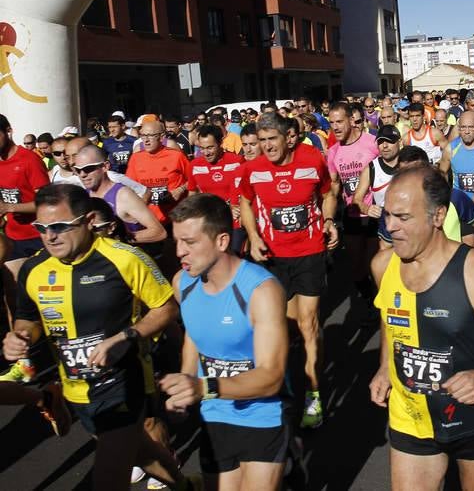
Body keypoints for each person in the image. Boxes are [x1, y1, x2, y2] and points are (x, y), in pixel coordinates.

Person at [3, 183, 191, 490]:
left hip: (124, 382)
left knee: (108, 476)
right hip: (76, 387)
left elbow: (166, 308)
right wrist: (20, 336)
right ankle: (184, 486)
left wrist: (127, 337)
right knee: (142, 452)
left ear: (89, 221)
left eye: (61, 226)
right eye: (42, 227)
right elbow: (29, 318)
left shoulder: (125, 258)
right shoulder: (34, 268)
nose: (50, 236)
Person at [369, 165, 474, 491]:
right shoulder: (382, 266)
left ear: (437, 216)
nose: (391, 228)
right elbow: (389, 318)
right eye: (387, 216)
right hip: (410, 417)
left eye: (403, 217)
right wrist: (385, 366)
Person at [160, 194, 289, 491]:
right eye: (177, 241)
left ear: (221, 241)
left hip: (261, 415)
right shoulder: (183, 282)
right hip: (214, 414)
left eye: (190, 243)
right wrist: (185, 382)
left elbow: (271, 377)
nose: (179, 251)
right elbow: (194, 333)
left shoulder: (261, 290)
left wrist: (203, 387)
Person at [238, 113, 338, 430]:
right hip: (273, 256)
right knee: (284, 326)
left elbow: (327, 192)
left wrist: (329, 220)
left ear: (288, 138)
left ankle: (313, 395)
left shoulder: (312, 159)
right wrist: (253, 237)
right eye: (262, 140)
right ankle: (283, 385)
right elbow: (244, 201)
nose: (266, 146)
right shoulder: (252, 168)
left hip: (309, 251)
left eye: (272, 139)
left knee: (308, 324)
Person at [377, 146, 474, 254]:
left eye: (416, 172)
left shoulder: (454, 197)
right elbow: (385, 247)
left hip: (450, 271)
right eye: (405, 172)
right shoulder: (391, 206)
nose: (410, 178)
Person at [0, 113, 50, 343]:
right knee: (13, 296)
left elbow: (46, 201)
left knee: (43, 296)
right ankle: (24, 357)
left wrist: (10, 206)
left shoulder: (29, 159)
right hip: (13, 238)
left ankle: (51, 348)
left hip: (39, 236)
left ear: (7, 131)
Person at [327, 103, 380, 306]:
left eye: (340, 121)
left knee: (373, 263)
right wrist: (330, 217)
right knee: (357, 268)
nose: (336, 127)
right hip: (351, 214)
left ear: (351, 120)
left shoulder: (372, 142)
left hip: (374, 212)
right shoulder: (332, 153)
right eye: (332, 123)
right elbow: (334, 188)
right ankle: (369, 299)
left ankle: (377, 307)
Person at [74, 145, 167, 244]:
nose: (82, 175)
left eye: (88, 169)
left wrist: (120, 240)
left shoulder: (123, 195)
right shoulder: (84, 196)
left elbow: (159, 232)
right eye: (78, 170)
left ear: (105, 167)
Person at [187, 125, 246, 254]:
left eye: (210, 147)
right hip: (210, 222)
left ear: (220, 143)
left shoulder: (237, 161)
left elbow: (247, 192)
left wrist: (242, 208)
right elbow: (192, 196)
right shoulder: (194, 165)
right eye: (202, 148)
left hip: (234, 221)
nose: (206, 152)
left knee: (234, 257)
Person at [126, 120, 192, 224]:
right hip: (148, 220)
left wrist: (180, 189)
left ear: (162, 137)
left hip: (176, 218)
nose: (146, 140)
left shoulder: (176, 156)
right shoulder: (135, 158)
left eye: (150, 135)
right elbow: (130, 188)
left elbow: (194, 179)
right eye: (143, 136)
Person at [438, 110, 474, 200]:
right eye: (463, 127)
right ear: (459, 129)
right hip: (460, 205)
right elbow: (442, 174)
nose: (467, 131)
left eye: (470, 127)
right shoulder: (450, 149)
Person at [353, 125, 402, 219]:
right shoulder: (371, 168)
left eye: (389, 141)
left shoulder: (410, 164)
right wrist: (367, 209)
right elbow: (356, 200)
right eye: (380, 142)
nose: (385, 146)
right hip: (383, 226)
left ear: (400, 142)